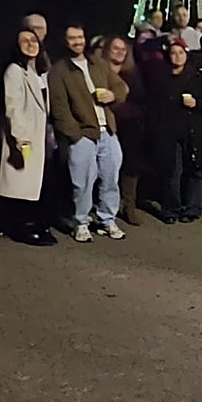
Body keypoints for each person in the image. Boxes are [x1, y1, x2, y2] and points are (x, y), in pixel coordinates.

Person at [48, 23, 127, 243]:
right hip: (83, 133)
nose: (77, 42)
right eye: (72, 38)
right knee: (82, 181)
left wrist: (112, 96)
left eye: (80, 37)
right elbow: (59, 108)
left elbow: (121, 87)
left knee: (111, 177)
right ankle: (80, 221)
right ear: (65, 41)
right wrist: (75, 134)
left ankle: (106, 218)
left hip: (108, 131)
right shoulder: (59, 71)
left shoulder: (98, 64)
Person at [0, 28, 55, 246]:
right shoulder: (14, 71)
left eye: (33, 40)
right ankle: (22, 227)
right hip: (26, 135)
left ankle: (37, 224)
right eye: (24, 41)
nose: (30, 44)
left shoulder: (41, 72)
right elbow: (13, 106)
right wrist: (20, 137)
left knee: (38, 182)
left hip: (42, 134)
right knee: (22, 184)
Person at [151, 42, 202, 224]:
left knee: (194, 170)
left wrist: (196, 103)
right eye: (173, 53)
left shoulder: (195, 77)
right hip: (169, 131)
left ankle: (192, 208)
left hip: (192, 130)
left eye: (180, 52)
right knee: (173, 171)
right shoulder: (161, 78)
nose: (177, 56)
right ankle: (171, 209)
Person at [102, 35, 149, 226]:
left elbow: (141, 102)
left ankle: (129, 205)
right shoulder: (99, 72)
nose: (120, 52)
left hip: (130, 127)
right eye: (115, 48)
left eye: (123, 49)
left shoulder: (133, 75)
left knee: (130, 167)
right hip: (107, 125)